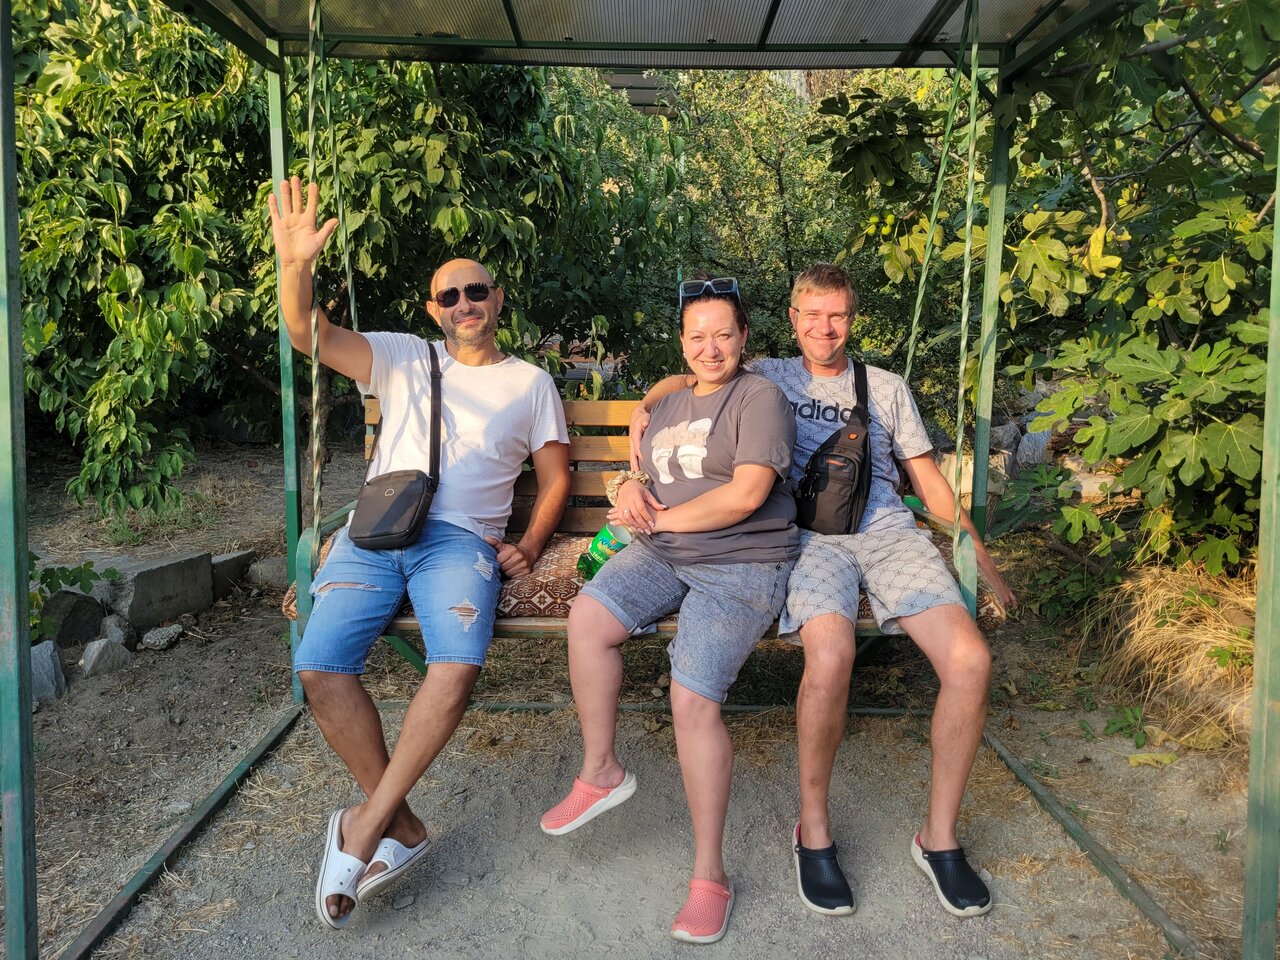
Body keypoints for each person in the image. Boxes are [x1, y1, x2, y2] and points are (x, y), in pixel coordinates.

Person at [631, 263, 1017, 920]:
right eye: (812, 315)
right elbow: (689, 377)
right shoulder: (769, 375)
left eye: (836, 315)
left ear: (852, 319)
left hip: (887, 533)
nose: (824, 328)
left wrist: (984, 562)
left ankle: (939, 838)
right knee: (831, 655)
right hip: (809, 540)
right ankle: (813, 830)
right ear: (792, 319)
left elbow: (929, 483)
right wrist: (645, 410)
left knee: (971, 660)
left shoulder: (886, 387)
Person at [268, 176, 571, 929]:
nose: (465, 304)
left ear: (498, 300)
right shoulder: (402, 356)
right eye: (450, 297)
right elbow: (306, 333)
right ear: (434, 310)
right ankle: (398, 822)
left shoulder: (531, 382)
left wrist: (529, 544)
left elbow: (557, 479)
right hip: (375, 534)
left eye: (477, 292)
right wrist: (294, 266)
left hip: (461, 544)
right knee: (319, 667)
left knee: (457, 665)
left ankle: (365, 824)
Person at [540, 277, 799, 944]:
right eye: (697, 336)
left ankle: (710, 875)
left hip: (742, 561)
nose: (711, 348)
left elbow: (746, 496)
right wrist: (628, 486)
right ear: (682, 343)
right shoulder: (673, 400)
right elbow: (647, 473)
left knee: (691, 699)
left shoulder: (760, 397)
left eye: (723, 335)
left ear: (744, 337)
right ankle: (601, 770)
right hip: (663, 553)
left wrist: (655, 519)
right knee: (587, 621)